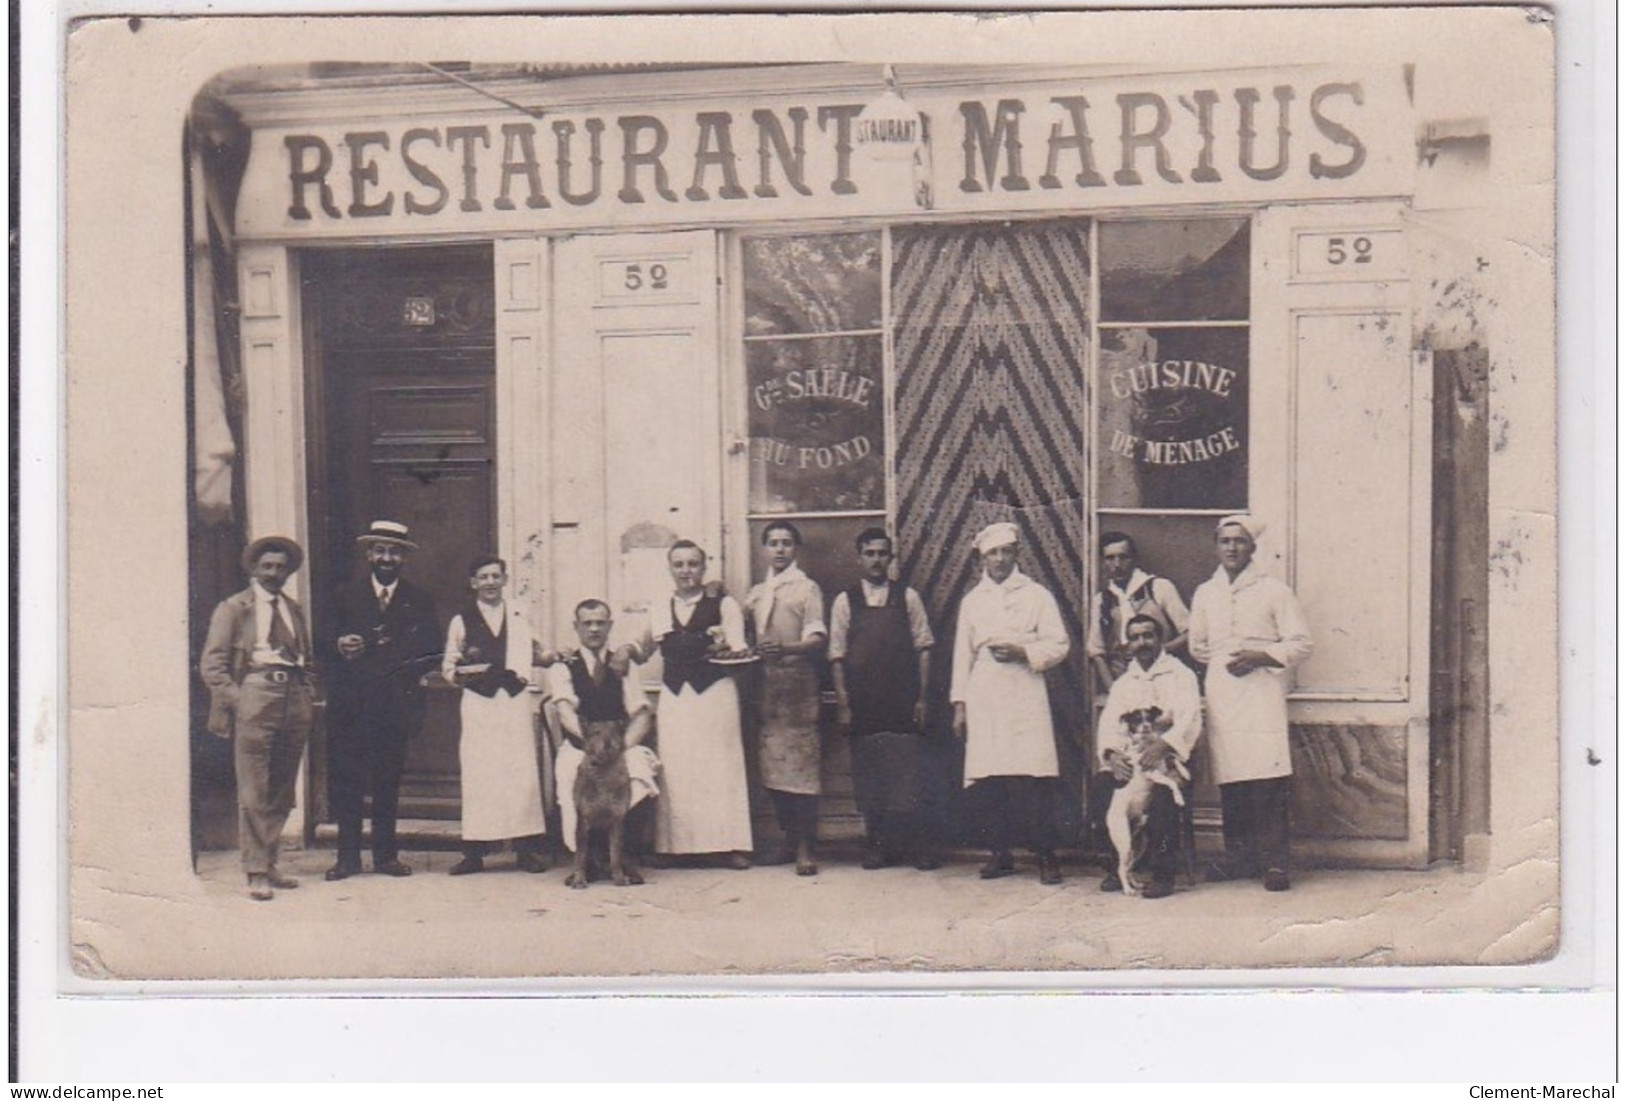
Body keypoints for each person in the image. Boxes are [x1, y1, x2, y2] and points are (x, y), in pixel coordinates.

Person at [1187, 514, 1313, 892]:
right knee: (1233, 779)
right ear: (1216, 546)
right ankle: (1239, 859)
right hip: (1225, 693)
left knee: (1268, 778)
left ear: (1252, 547)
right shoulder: (1205, 593)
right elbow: (1198, 645)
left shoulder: (1274, 591)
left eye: (1239, 541)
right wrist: (1227, 662)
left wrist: (1258, 657)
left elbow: (1302, 643)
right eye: (1225, 541)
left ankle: (1275, 863)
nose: (1231, 548)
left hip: (1262, 692)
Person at [950, 521, 1072, 885]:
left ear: (1017, 554)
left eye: (1006, 551)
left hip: (1025, 691)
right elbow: (962, 656)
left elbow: (1059, 644)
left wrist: (1024, 651)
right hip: (985, 691)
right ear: (981, 559)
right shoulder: (973, 601)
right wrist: (960, 705)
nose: (1000, 559)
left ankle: (1046, 856)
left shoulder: (1037, 596)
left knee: (1033, 777)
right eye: (992, 553)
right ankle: (999, 853)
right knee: (991, 779)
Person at [199, 535, 317, 901]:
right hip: (256, 694)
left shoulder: (293, 609)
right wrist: (240, 701)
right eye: (266, 566)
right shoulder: (234, 608)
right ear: (253, 568)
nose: (274, 573)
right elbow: (213, 665)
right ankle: (254, 871)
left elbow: (306, 658)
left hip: (293, 697)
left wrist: (308, 692)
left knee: (282, 788)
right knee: (254, 788)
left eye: (281, 567)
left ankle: (270, 862)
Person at [623, 540, 754, 868]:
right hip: (675, 697)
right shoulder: (660, 607)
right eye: (679, 564)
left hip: (715, 694)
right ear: (670, 569)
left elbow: (738, 650)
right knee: (678, 768)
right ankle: (673, 847)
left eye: (693, 564)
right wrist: (626, 650)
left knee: (721, 768)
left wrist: (723, 649)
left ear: (703, 567)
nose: (686, 571)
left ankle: (731, 845)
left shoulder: (724, 605)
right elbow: (643, 648)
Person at [323, 520, 441, 881]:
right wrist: (340, 645)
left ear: (403, 557)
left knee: (388, 782)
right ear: (369, 555)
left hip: (394, 706)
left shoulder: (418, 600)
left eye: (394, 551)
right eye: (380, 551)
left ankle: (387, 857)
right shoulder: (344, 595)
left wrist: (395, 656)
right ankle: (347, 859)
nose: (386, 558)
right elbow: (321, 642)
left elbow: (432, 652)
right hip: (351, 707)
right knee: (348, 783)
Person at [829, 527, 937, 871]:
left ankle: (915, 845)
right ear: (859, 557)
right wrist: (844, 703)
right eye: (870, 553)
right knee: (870, 773)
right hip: (864, 700)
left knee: (907, 772)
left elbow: (924, 648)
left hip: (902, 698)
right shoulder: (845, 601)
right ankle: (876, 845)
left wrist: (922, 698)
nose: (877, 560)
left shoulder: (908, 598)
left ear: (891, 558)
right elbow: (836, 655)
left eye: (882, 553)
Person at [441, 555, 547, 875]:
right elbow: (448, 665)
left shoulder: (519, 614)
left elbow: (536, 652)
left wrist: (551, 657)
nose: (490, 582)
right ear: (473, 583)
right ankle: (474, 852)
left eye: (495, 576)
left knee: (520, 773)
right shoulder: (461, 620)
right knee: (480, 775)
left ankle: (525, 849)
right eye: (483, 577)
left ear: (505, 580)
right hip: (479, 705)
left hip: (513, 702)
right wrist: (459, 675)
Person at [1090, 614, 1203, 900]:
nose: (1143, 643)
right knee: (1101, 785)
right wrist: (1113, 755)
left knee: (1164, 795)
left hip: (1168, 760)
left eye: (1148, 635)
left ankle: (1163, 874)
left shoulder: (1180, 675)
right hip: (1133, 762)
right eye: (1136, 637)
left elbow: (1190, 719)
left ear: (1161, 639)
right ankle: (1117, 867)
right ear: (1129, 643)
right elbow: (1110, 724)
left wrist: (1164, 746)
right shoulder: (1124, 683)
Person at [546, 599, 660, 865]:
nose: (594, 629)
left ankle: (623, 856)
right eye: (587, 623)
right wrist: (591, 747)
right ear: (577, 627)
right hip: (580, 746)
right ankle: (588, 856)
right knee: (570, 776)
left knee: (639, 769)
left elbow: (641, 714)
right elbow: (565, 712)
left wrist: (621, 748)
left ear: (610, 626)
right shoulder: (563, 665)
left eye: (600, 623)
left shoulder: (621, 664)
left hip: (619, 746)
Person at [743, 521, 828, 875]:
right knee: (774, 769)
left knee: (802, 770)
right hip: (767, 688)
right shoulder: (758, 593)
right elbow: (739, 627)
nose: (779, 549)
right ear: (764, 549)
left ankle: (807, 846)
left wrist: (785, 648)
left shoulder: (807, 589)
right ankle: (787, 840)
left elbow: (817, 639)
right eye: (773, 543)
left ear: (795, 549)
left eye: (786, 543)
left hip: (798, 688)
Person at [1087, 531, 1189, 695]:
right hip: (1122, 678)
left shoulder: (1159, 587)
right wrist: (1114, 690)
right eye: (1110, 558)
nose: (1117, 564)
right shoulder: (1102, 600)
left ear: (1134, 559)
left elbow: (1190, 632)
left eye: (1123, 557)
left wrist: (1162, 648)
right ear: (1102, 562)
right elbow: (1096, 651)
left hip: (1162, 674)